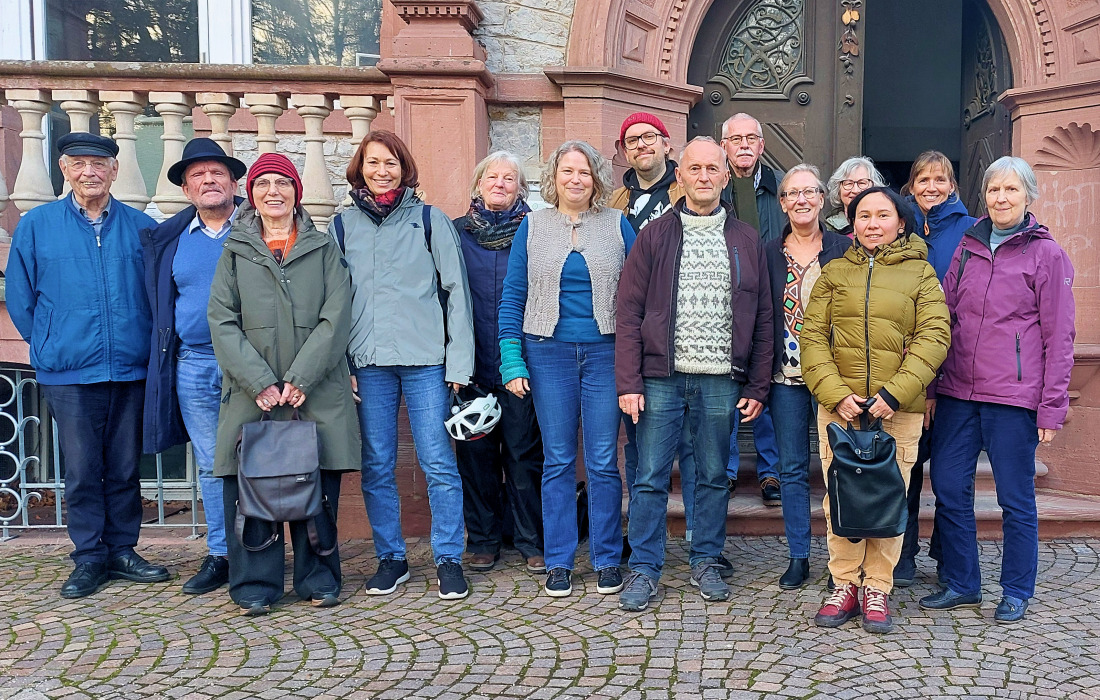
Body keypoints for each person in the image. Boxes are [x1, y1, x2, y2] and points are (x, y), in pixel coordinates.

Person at [6, 132, 170, 599]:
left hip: (130, 367)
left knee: (124, 467)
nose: (89, 172)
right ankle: (89, 556)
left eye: (98, 164)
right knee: (81, 469)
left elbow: (156, 295)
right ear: (64, 169)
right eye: (78, 163)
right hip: (70, 370)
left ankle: (122, 550)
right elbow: (20, 296)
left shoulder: (141, 228)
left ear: (115, 171)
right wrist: (49, 340)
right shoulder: (37, 226)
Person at [615, 137, 772, 611]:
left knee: (712, 475)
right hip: (660, 377)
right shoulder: (654, 236)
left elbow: (763, 317)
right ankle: (645, 567)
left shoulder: (746, 238)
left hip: (721, 379)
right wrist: (629, 381)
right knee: (650, 476)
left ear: (726, 176)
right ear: (679, 176)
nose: (703, 176)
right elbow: (629, 312)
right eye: (694, 168)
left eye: (712, 169)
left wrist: (757, 383)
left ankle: (705, 559)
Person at [919, 157, 1075, 623]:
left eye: (1011, 189)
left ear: (1028, 195)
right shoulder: (968, 245)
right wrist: (931, 385)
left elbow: (1059, 336)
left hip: (1012, 397)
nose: (1001, 198)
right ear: (983, 195)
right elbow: (943, 317)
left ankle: (1016, 589)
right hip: (958, 392)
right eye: (993, 190)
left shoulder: (1046, 254)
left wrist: (1052, 407)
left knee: (1015, 498)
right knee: (949, 486)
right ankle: (963, 582)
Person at [208, 152, 359, 616]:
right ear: (251, 194)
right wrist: (258, 381)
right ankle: (256, 583)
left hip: (316, 392)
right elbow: (221, 320)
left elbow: (337, 315)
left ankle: (319, 578)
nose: (273, 191)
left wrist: (302, 376)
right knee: (252, 487)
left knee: (316, 487)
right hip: (251, 395)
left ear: (297, 192)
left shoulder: (323, 248)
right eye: (263, 183)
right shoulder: (235, 251)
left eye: (283, 183)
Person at [801, 186, 950, 634]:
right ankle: (844, 584)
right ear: (852, 224)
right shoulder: (833, 272)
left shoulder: (921, 273)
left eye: (882, 215)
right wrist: (836, 394)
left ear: (901, 223)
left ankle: (878, 587)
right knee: (840, 497)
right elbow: (812, 337)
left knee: (888, 498)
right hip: (841, 411)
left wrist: (894, 394)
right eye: (863, 215)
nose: (872, 223)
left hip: (897, 410)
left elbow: (934, 337)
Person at [336, 130, 475, 600]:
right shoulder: (342, 227)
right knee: (377, 464)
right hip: (368, 363)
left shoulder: (431, 221)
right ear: (361, 168)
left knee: (438, 462)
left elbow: (457, 293)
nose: (382, 171)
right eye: (374, 162)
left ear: (404, 169)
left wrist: (459, 363)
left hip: (426, 362)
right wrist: (342, 364)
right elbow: (332, 302)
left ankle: (449, 558)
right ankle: (391, 558)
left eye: (391, 163)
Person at [498, 140, 635, 598]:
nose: (576, 179)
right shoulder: (533, 226)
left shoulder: (617, 224)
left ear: (596, 179)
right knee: (557, 459)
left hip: (605, 354)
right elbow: (513, 295)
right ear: (553, 178)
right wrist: (511, 359)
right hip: (547, 353)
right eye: (567, 171)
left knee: (603, 460)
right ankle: (558, 560)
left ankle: (607, 558)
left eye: (584, 172)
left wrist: (636, 360)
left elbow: (638, 296)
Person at [140, 137, 246, 595]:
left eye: (217, 173)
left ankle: (257, 552)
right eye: (197, 175)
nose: (209, 181)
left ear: (234, 182)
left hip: (250, 366)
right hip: (194, 364)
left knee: (259, 458)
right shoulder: (172, 239)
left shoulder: (258, 227)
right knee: (211, 462)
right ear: (186, 190)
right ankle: (221, 554)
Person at [607, 112, 698, 552]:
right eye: (632, 140)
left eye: (649, 137)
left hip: (687, 333)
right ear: (624, 151)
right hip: (632, 332)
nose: (641, 145)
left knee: (695, 448)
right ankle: (644, 537)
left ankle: (701, 540)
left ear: (666, 144)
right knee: (640, 444)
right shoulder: (613, 201)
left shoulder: (688, 189)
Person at [452, 151, 545, 574]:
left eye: (510, 178)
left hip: (520, 363)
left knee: (524, 455)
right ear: (478, 184)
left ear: (521, 188)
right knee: (476, 457)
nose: (500, 184)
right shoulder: (456, 233)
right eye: (492, 177)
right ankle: (483, 540)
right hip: (470, 363)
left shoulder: (535, 232)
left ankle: (530, 540)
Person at [763, 164, 849, 590]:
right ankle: (798, 555)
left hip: (835, 377)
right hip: (786, 378)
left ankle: (841, 561)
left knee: (839, 467)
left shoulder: (843, 249)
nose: (801, 199)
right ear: (782, 203)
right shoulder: (768, 253)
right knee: (793, 468)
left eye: (809, 191)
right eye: (792, 193)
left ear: (821, 199)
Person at [894, 152, 977, 586]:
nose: (931, 187)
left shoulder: (971, 230)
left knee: (951, 474)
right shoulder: (899, 228)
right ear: (911, 186)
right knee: (905, 468)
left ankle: (948, 558)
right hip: (907, 370)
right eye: (923, 179)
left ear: (952, 186)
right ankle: (903, 555)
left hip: (957, 368)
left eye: (940, 179)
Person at [718, 113, 782, 506]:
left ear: (761, 145)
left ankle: (770, 471)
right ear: (723, 145)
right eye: (735, 138)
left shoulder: (782, 188)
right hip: (722, 306)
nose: (743, 145)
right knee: (725, 392)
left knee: (765, 387)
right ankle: (725, 471)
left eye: (751, 138)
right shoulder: (713, 186)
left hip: (770, 301)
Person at [824, 156, 887, 237]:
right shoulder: (826, 229)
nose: (855, 190)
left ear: (874, 186)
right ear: (838, 189)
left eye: (862, 183)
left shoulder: (887, 223)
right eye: (848, 183)